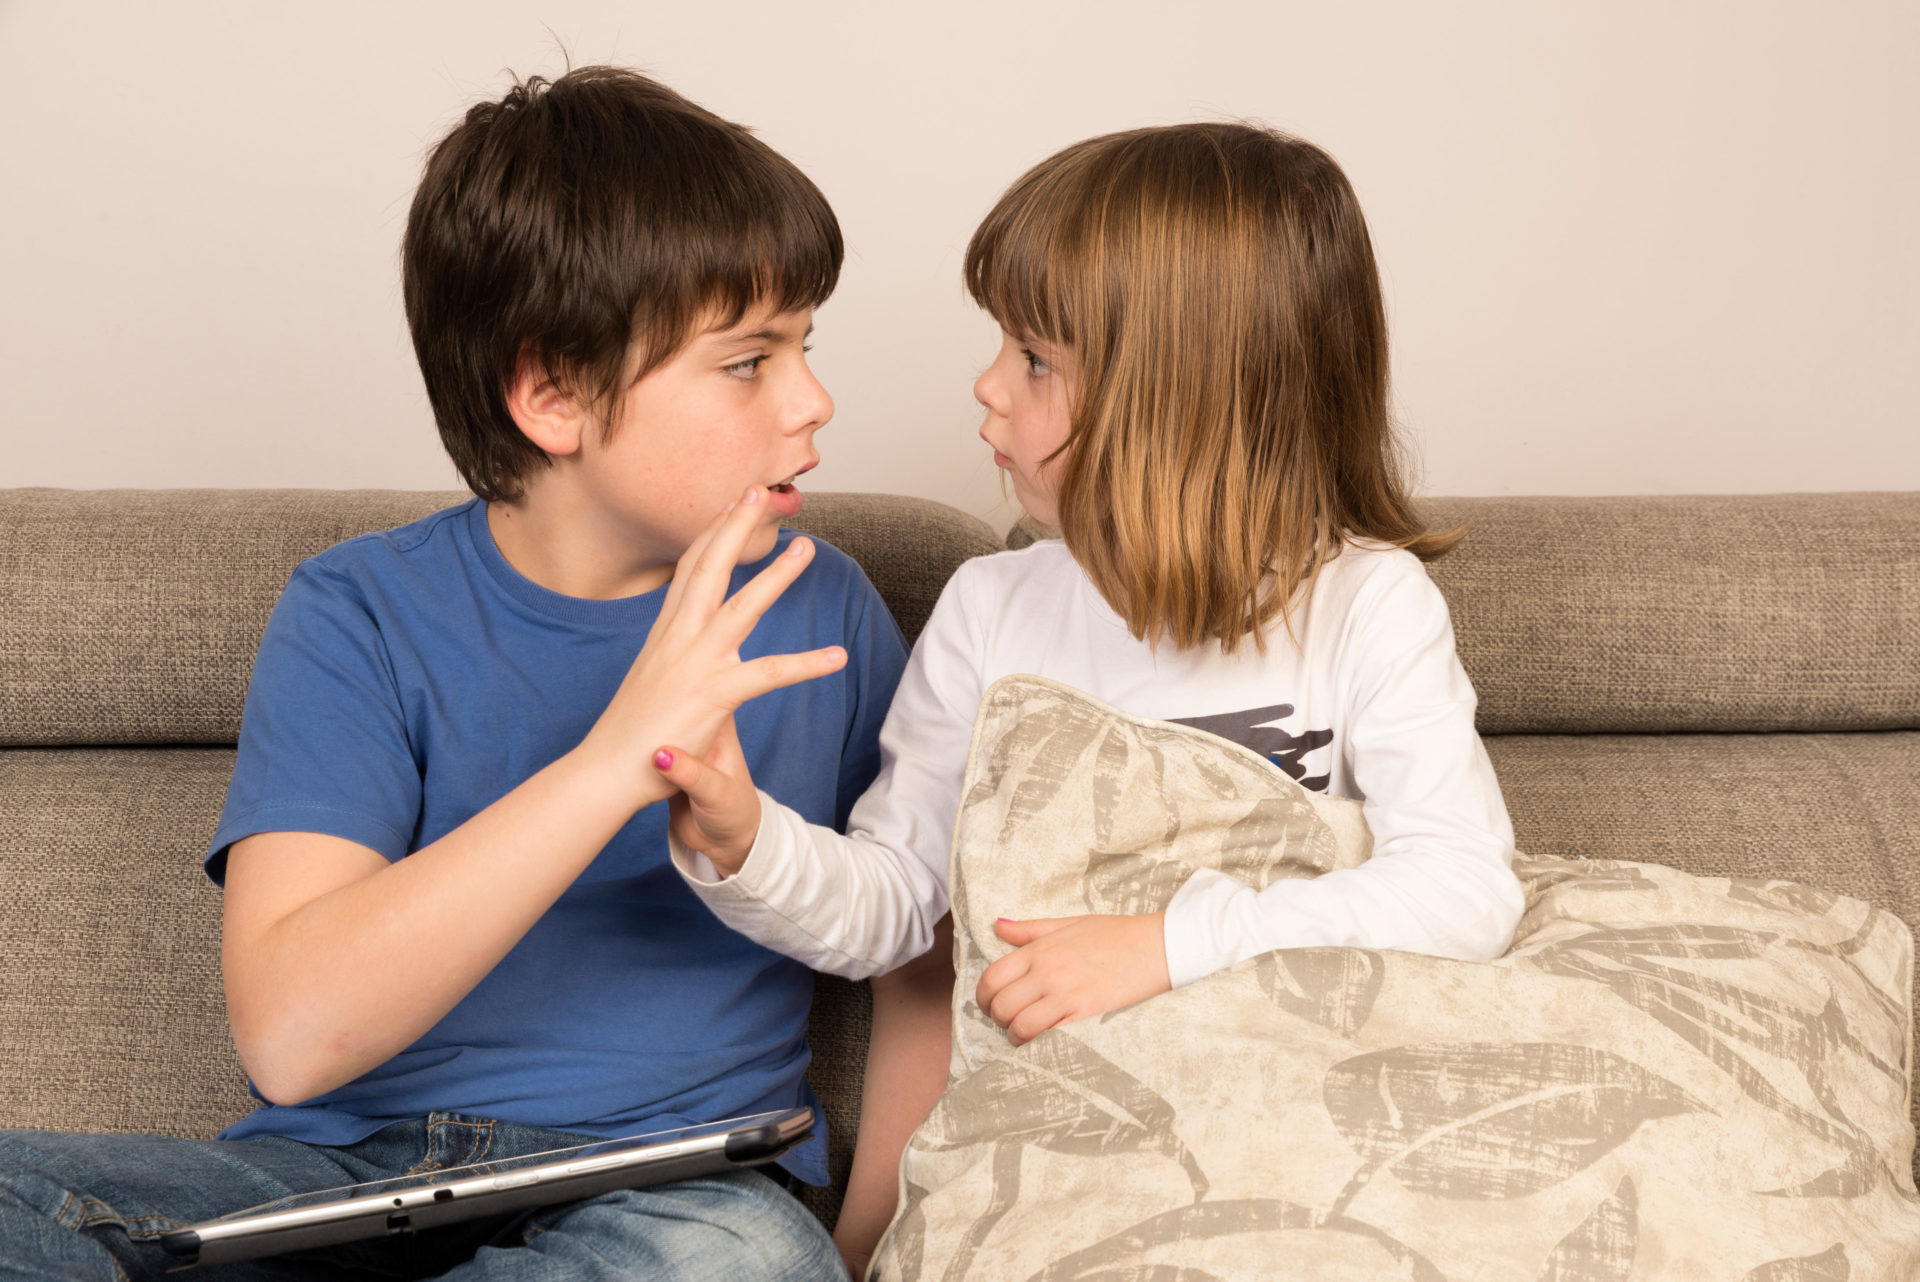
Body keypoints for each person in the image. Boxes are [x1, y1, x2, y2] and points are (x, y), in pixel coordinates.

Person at [0, 66, 900, 1280]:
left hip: (671, 1190)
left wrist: (869, 1244)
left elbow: (923, 956)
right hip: (343, 1176)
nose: (814, 399)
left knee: (738, 1262)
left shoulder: (825, 606)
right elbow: (295, 1039)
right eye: (748, 360)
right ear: (552, 394)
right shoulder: (357, 610)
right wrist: (612, 761)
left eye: (805, 345)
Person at [654, 121, 1530, 1273]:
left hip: (1300, 1128)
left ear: (1184, 398)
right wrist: (743, 841)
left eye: (1032, 358)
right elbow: (898, 913)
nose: (983, 384)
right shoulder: (992, 609)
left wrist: (1170, 942)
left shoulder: (1369, 605)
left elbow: (1464, 890)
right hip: (1066, 1160)